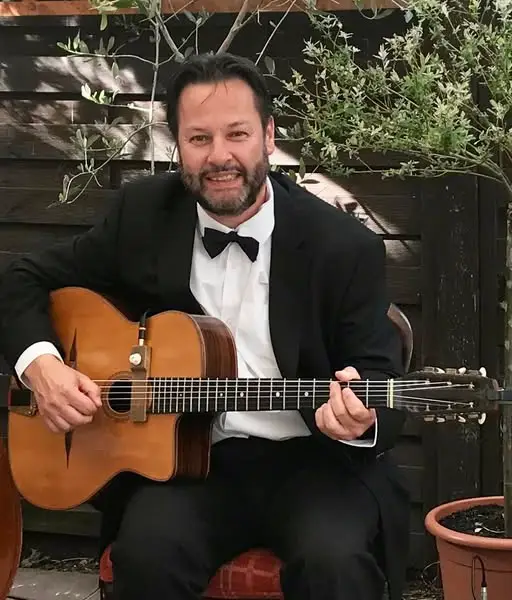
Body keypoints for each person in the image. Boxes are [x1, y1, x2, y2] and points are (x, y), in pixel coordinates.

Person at [0, 53, 410, 600]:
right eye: (199, 138)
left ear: (268, 136)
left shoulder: (343, 246)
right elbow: (21, 278)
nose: (219, 156)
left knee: (335, 565)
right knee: (145, 557)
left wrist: (360, 418)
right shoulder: (144, 215)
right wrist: (41, 365)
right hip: (190, 464)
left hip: (315, 466)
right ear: (178, 146)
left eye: (237, 133)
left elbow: (381, 380)